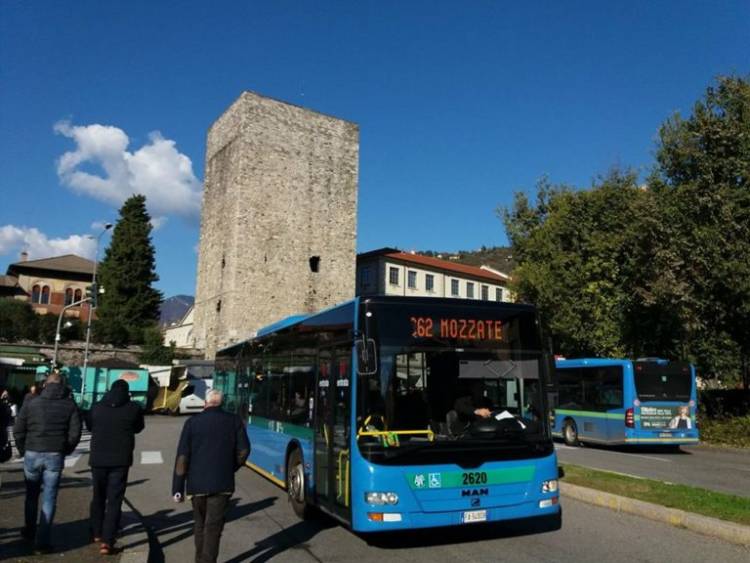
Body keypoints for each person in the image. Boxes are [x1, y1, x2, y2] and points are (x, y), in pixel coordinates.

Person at [172, 389, 250, 563]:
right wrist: (231, 467)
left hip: (196, 483)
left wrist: (177, 488)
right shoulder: (233, 421)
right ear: (221, 402)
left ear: (205, 403)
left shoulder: (192, 422)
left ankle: (200, 559)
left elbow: (182, 457)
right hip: (222, 483)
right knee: (213, 527)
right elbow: (244, 450)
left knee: (199, 525)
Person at [13, 372, 81, 553]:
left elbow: (18, 430)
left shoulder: (31, 403)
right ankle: (42, 542)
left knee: (31, 494)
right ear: (63, 385)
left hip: (32, 451)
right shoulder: (69, 405)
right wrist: (65, 449)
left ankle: (29, 529)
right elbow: (75, 433)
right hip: (55, 453)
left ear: (45, 385)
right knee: (49, 498)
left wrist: (23, 449)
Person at [87, 379, 145, 555]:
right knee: (114, 500)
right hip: (120, 459)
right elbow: (139, 427)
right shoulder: (133, 408)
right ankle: (107, 540)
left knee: (98, 496)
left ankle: (96, 532)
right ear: (127, 392)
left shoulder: (96, 407)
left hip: (98, 458)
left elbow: (90, 426)